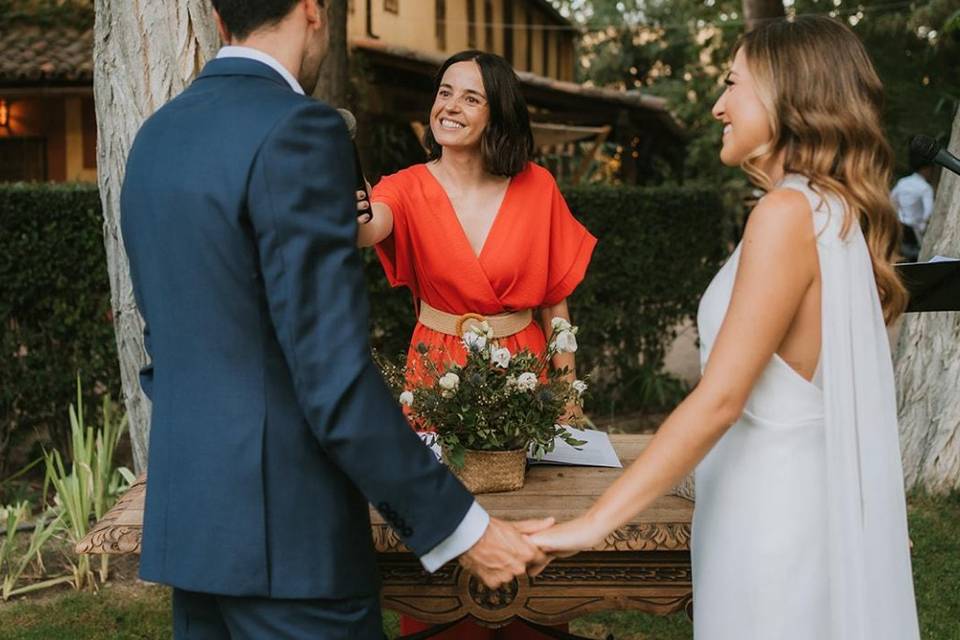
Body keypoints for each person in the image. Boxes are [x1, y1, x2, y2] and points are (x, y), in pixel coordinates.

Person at [120, 2, 553, 638]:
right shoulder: (301, 130)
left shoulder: (157, 135)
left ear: (218, 19)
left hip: (193, 533)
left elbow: (173, 349)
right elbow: (333, 378)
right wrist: (466, 529)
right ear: (312, 12)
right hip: (293, 545)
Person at [529, 16, 920, 640]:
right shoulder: (836, 211)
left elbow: (720, 400)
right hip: (803, 505)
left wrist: (592, 525)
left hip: (770, 519)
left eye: (732, 83)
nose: (717, 107)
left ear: (785, 93)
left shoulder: (786, 213)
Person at [356, 50, 597, 639]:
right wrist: (346, 199)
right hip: (435, 371)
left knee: (531, 517)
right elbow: (366, 227)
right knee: (441, 516)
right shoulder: (406, 187)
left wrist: (565, 391)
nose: (450, 106)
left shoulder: (536, 186)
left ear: (497, 115)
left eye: (470, 97)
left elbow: (556, 301)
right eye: (444, 92)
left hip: (524, 373)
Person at [891, 144, 937, 261]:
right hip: (915, 233)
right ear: (926, 169)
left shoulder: (902, 182)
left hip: (900, 228)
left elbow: (891, 201)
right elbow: (929, 213)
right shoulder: (925, 188)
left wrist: (900, 215)